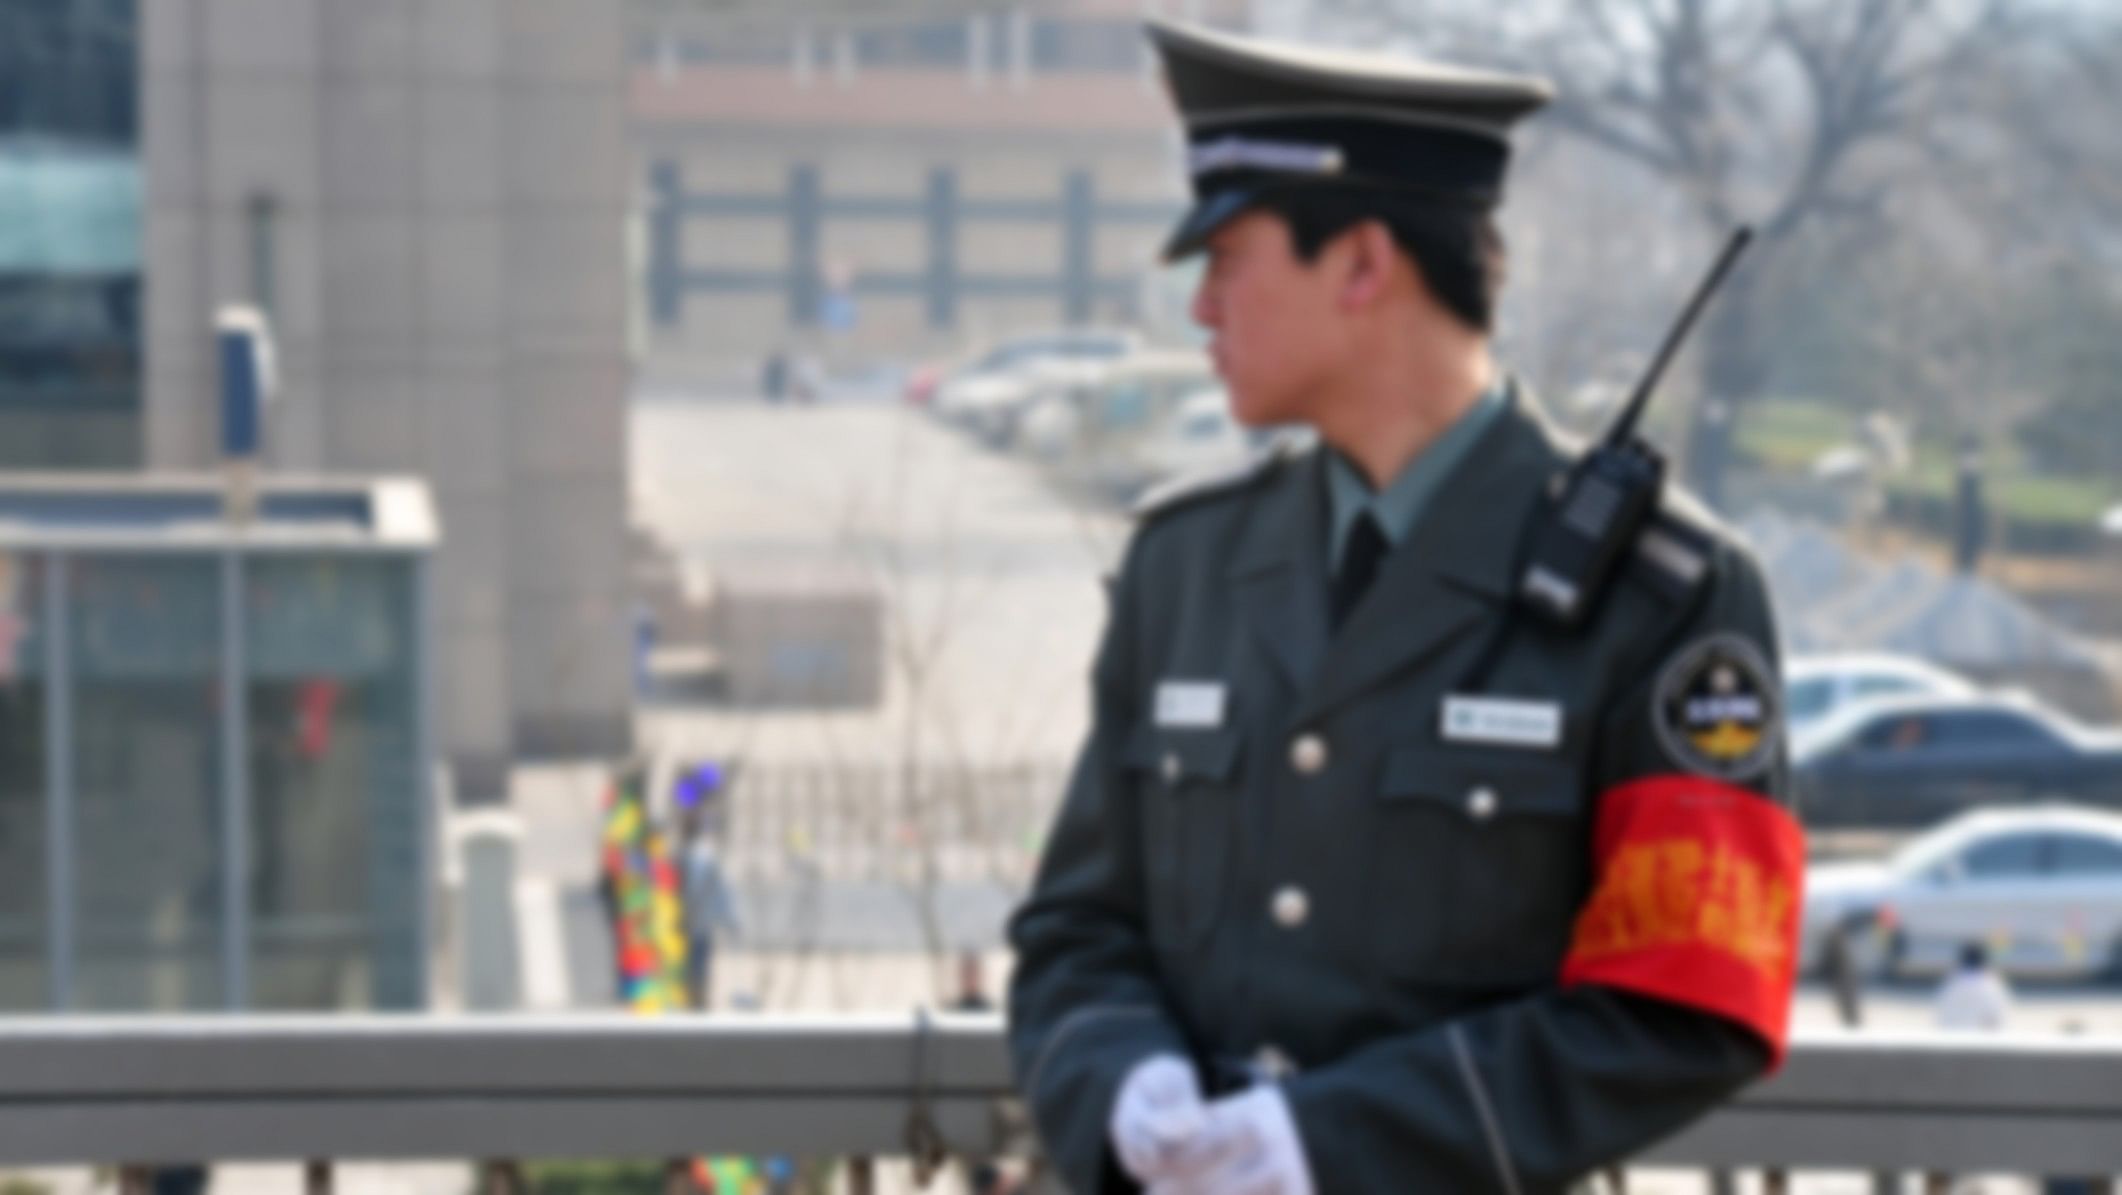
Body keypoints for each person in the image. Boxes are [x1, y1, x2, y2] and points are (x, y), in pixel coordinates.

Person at [1006, 19, 1805, 1195]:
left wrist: (1328, 1146)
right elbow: (1076, 935)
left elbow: (1687, 998)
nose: (1201, 311)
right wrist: (1125, 1086)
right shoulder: (1185, 568)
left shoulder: (1667, 595)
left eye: (1227, 261)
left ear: (1363, 265)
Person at [679, 806, 741, 1011]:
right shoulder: (685, 854)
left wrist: (729, 918)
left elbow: (715, 890)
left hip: (697, 921)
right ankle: (694, 997)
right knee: (692, 961)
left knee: (698, 961)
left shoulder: (703, 856)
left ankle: (697, 999)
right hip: (688, 921)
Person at [1935, 941, 2012, 1032]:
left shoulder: (1951, 985)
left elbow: (1942, 1017)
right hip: (1982, 1041)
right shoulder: (1992, 987)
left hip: (1952, 1039)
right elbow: (1999, 1020)